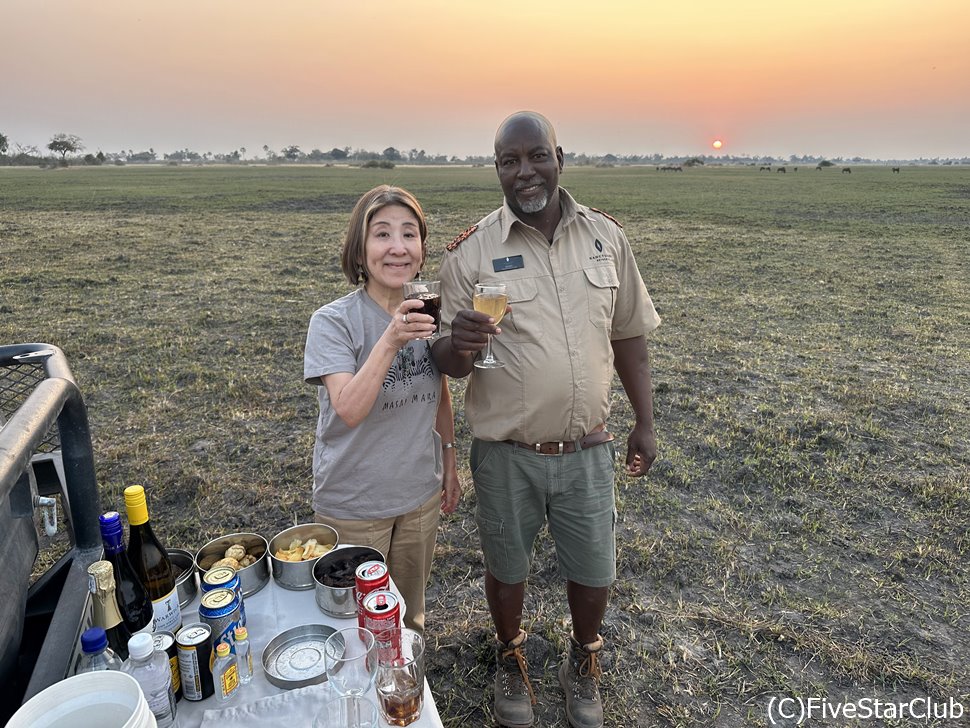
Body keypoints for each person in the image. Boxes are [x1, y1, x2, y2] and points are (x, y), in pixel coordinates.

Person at [431, 112, 661, 728]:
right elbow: (445, 362)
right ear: (497, 168)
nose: (524, 171)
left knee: (594, 569)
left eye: (536, 156)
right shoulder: (471, 252)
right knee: (506, 566)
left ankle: (583, 660)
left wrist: (645, 421)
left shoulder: (606, 238)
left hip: (588, 448)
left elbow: (630, 334)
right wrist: (461, 341)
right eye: (509, 161)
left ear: (561, 157)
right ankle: (511, 657)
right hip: (506, 452)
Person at [304, 184, 461, 635]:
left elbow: (438, 390)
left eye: (409, 235)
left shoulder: (429, 313)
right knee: (357, 624)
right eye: (382, 235)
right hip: (355, 502)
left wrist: (449, 461)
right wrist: (391, 339)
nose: (398, 247)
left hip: (418, 497)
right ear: (360, 249)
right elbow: (349, 409)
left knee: (408, 617)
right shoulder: (333, 322)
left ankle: (404, 699)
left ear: (422, 249)